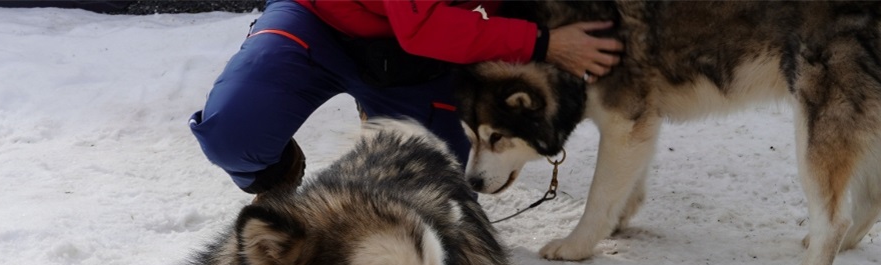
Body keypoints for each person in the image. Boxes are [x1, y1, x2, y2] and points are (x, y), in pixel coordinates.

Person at [189, 0, 623, 196]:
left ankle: (385, 118)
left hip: (422, 56)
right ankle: (276, 173)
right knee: (233, 134)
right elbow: (421, 27)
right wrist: (541, 42)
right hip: (319, 21)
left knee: (435, 196)